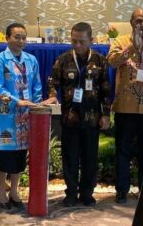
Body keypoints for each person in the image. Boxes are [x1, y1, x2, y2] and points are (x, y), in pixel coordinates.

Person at [0, 23, 55, 210]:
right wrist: (16, 101)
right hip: (6, 115)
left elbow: (36, 85)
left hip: (26, 115)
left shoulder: (31, 60)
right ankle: (2, 193)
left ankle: (14, 192)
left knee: (19, 155)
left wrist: (37, 105)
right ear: (7, 38)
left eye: (23, 37)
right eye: (17, 37)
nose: (21, 41)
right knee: (4, 155)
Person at [47, 22, 112, 207]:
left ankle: (87, 193)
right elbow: (52, 82)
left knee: (90, 158)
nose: (77, 45)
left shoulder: (100, 60)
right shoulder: (63, 59)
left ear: (91, 40)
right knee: (70, 158)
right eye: (74, 41)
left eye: (82, 41)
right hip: (70, 118)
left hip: (92, 119)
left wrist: (106, 114)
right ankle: (70, 193)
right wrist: (52, 95)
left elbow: (106, 89)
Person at [107, 8, 143, 204]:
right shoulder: (120, 42)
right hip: (126, 105)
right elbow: (112, 62)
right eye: (138, 21)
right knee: (123, 150)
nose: (142, 24)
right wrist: (132, 48)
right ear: (131, 22)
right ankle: (122, 190)